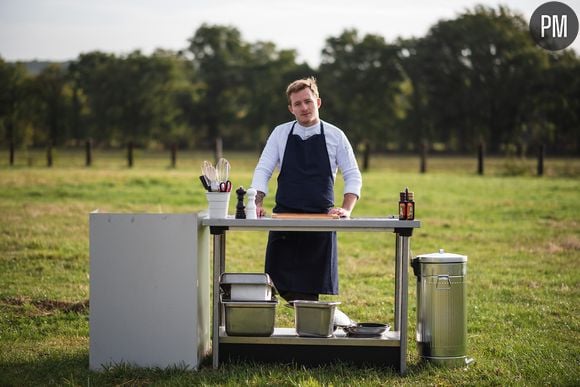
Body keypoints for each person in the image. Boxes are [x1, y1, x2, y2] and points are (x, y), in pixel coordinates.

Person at [250, 76, 362, 303]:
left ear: (318, 102)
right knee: (277, 280)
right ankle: (328, 320)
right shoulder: (280, 133)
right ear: (290, 109)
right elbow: (263, 169)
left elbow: (352, 175)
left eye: (307, 101)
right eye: (298, 104)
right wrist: (257, 201)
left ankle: (319, 325)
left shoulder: (336, 135)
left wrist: (347, 209)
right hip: (284, 218)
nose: (304, 107)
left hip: (321, 219)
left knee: (310, 287)